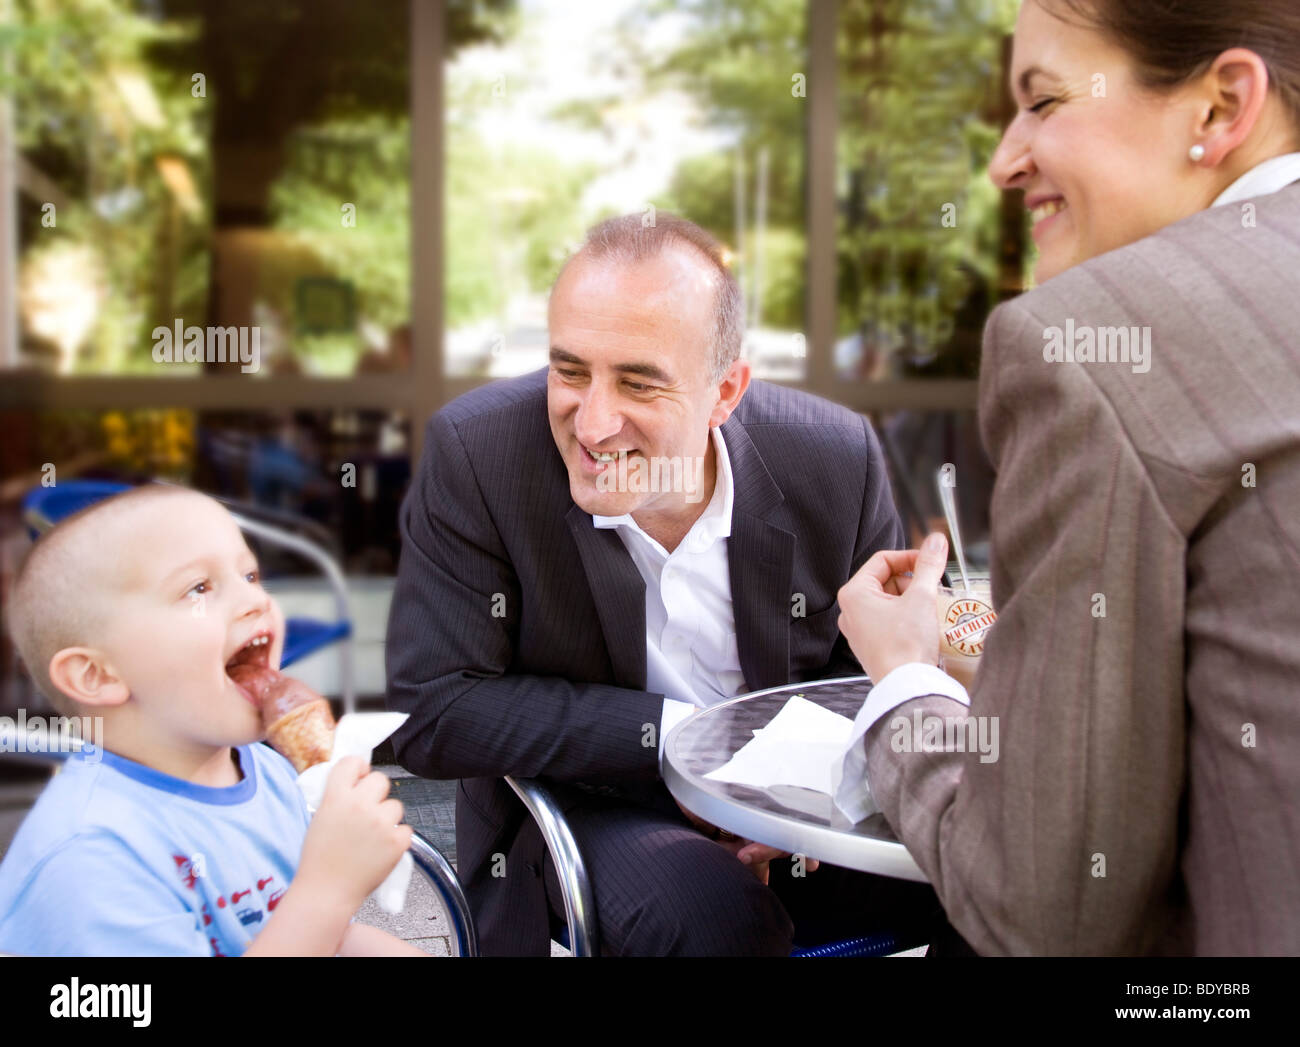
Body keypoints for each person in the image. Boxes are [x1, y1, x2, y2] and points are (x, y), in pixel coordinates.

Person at [833, 0, 1300, 955]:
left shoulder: (1093, 342)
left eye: (1043, 101)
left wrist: (904, 682)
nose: (1005, 160)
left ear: (1220, 107)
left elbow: (1039, 910)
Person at [386, 212, 945, 955]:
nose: (592, 423)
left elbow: (857, 672)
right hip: (597, 801)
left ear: (726, 391)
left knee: (1004, 855)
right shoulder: (479, 453)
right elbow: (436, 706)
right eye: (570, 370)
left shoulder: (835, 455)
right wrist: (685, 735)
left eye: (639, 382)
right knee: (712, 912)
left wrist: (796, 796)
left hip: (804, 800)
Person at [0, 485, 424, 956]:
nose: (256, 600)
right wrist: (328, 890)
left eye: (251, 575)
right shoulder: (90, 858)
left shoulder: (268, 774)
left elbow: (327, 939)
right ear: (98, 674)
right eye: (198, 588)